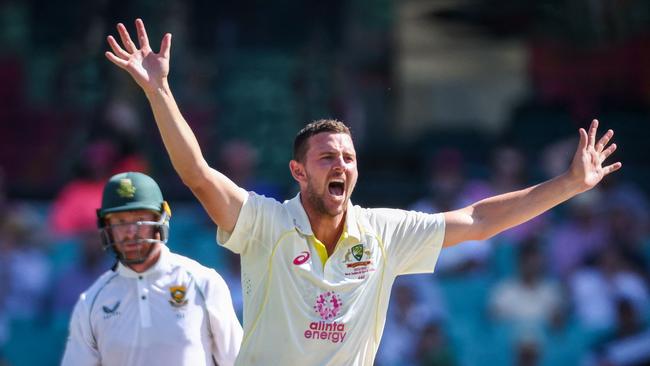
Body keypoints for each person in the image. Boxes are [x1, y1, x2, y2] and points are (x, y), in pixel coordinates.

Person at [104, 19, 622, 365]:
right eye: (327, 157)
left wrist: (569, 184)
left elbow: (481, 219)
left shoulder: (384, 232)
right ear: (298, 172)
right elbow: (197, 173)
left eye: (348, 158)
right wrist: (159, 90)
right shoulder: (265, 222)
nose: (341, 165)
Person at [60, 172, 242, 366]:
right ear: (107, 228)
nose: (130, 232)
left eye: (139, 219)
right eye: (120, 222)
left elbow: (238, 361)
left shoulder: (204, 283)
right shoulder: (92, 302)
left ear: (160, 221)